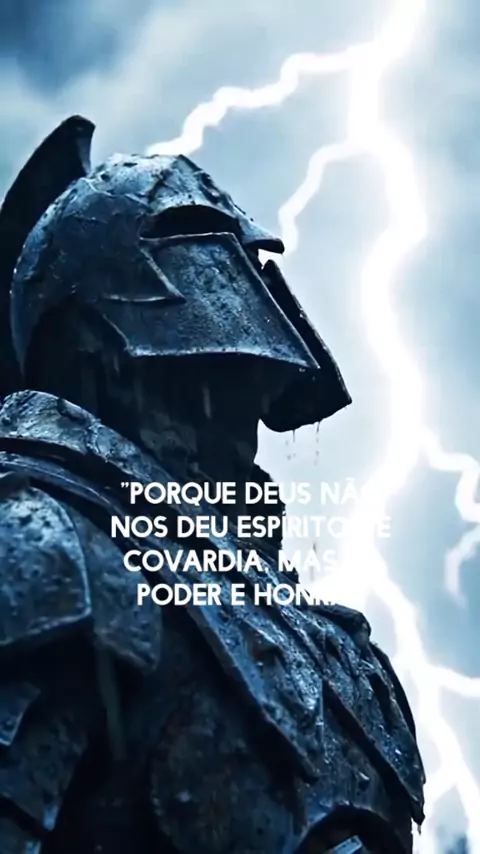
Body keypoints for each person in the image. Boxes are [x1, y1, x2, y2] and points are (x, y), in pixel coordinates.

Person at [0, 117, 425, 853]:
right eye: (212, 374)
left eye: (251, 377)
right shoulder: (45, 549)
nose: (250, 407)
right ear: (102, 358)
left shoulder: (342, 656)